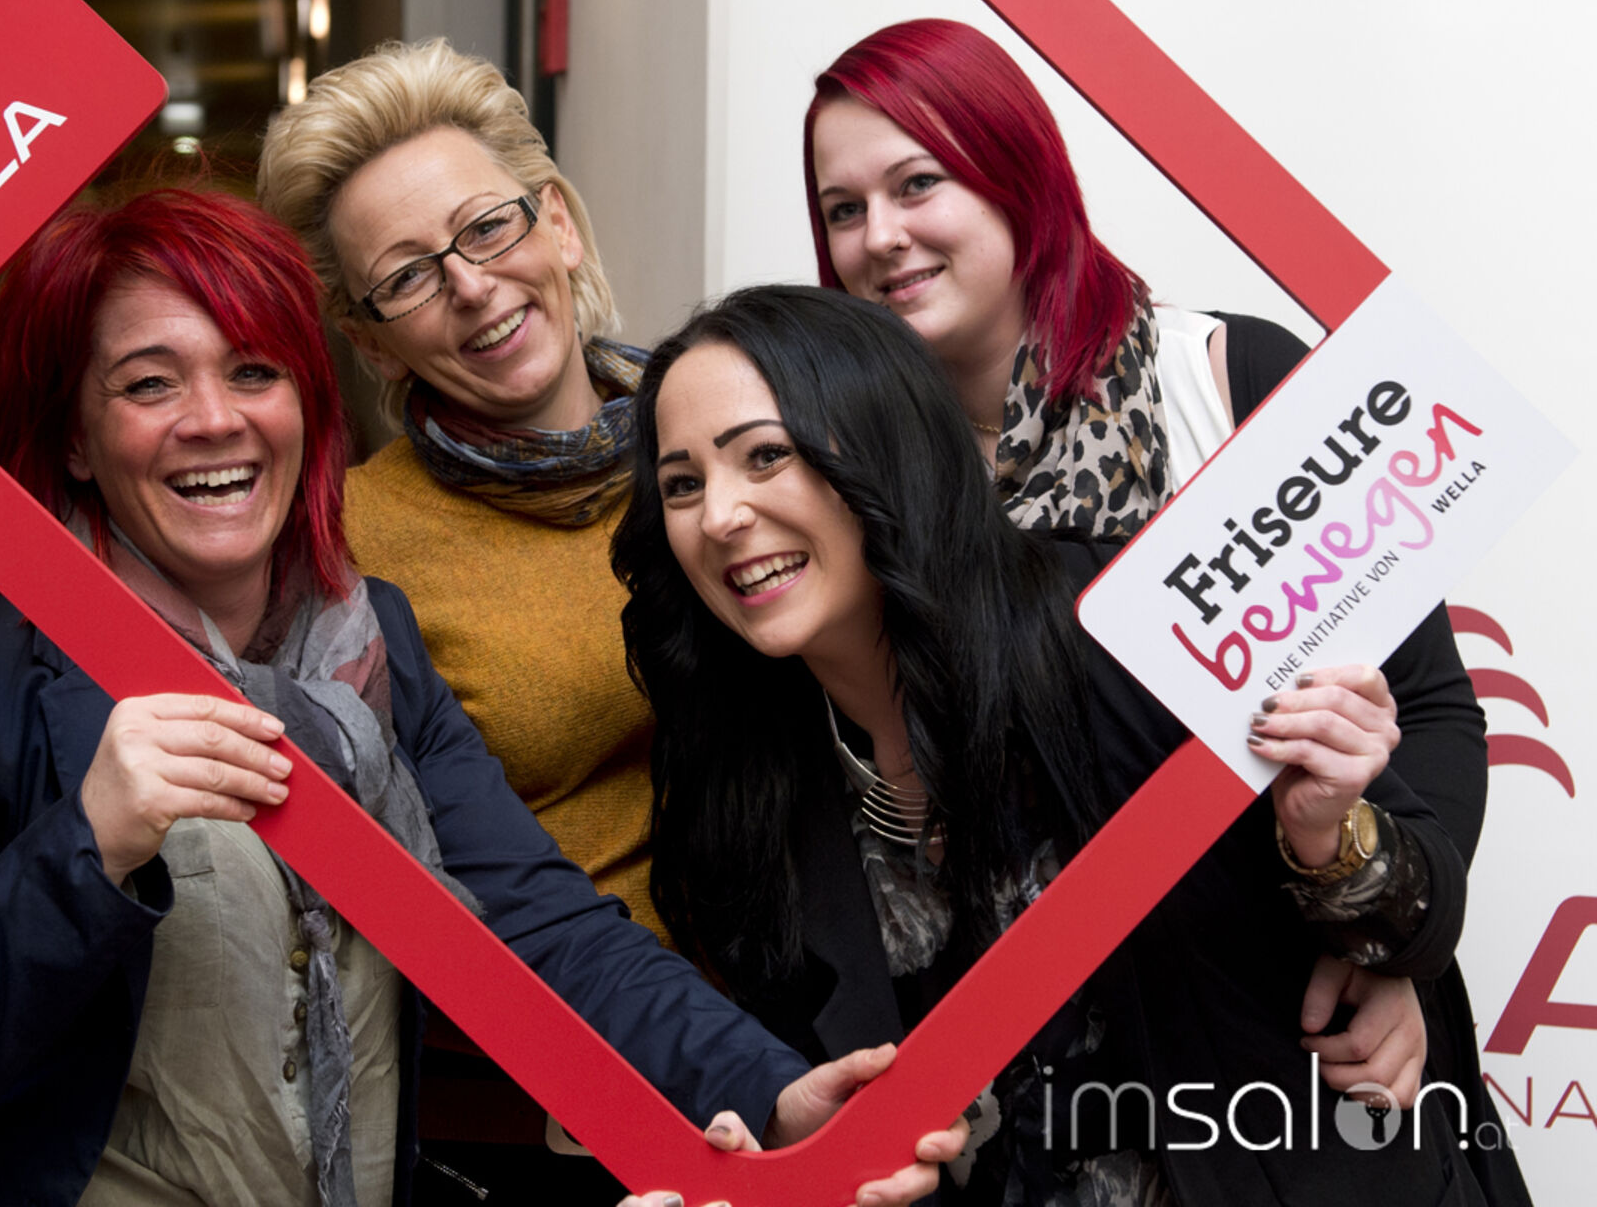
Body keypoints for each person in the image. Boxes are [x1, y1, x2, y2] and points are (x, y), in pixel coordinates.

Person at [0, 191, 957, 1207]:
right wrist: (87, 846)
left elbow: (539, 927)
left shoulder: (369, 640)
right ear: (77, 438)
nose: (214, 417)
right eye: (148, 383)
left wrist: (772, 1091)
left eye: (255, 371)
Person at [802, 19, 1522, 1201]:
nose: (879, 236)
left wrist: (1383, 939)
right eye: (843, 209)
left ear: (1015, 170)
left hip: (1278, 1060)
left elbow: (1431, 708)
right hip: (1031, 1102)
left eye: (917, 182)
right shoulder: (855, 480)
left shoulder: (1227, 381)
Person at [611, 285, 1491, 1205]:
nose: (720, 516)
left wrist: (1326, 835)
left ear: (884, 444)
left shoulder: (1120, 624)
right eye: (682, 484)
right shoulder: (744, 777)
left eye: (765, 456)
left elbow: (1421, 918)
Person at [256, 37, 670, 1195]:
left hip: (793, 1047)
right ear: (369, 335)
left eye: (488, 227)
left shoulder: (717, 444)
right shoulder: (347, 547)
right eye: (407, 277)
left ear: (558, 223)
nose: (474, 286)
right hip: (535, 1116)